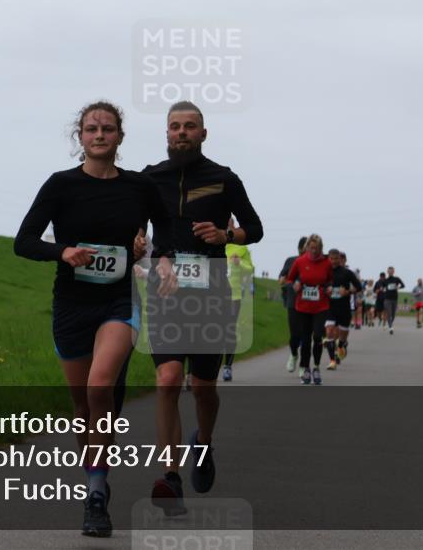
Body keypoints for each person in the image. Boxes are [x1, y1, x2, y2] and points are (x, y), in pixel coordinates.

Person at [14, 102, 176, 537]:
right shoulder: (60, 185)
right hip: (70, 305)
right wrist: (61, 251)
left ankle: (97, 495)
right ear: (80, 137)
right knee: (84, 407)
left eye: (107, 128)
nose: (99, 134)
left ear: (120, 137)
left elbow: (166, 232)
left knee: (100, 385)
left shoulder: (140, 187)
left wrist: (161, 260)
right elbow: (24, 241)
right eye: (91, 129)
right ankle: (94, 473)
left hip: (118, 302)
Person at [141, 101, 263, 514]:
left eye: (189, 126)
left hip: (210, 296)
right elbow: (135, 232)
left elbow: (255, 228)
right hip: (165, 293)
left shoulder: (223, 179)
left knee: (204, 388)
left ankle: (204, 444)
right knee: (169, 377)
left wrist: (227, 233)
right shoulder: (150, 178)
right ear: (166, 133)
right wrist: (143, 249)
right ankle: (170, 477)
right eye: (174, 126)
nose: (181, 133)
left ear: (203, 134)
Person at [285, 235, 333, 384]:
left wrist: (329, 287)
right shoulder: (300, 261)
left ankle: (316, 368)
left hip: (321, 306)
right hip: (303, 306)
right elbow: (290, 279)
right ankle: (305, 368)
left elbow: (330, 279)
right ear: (307, 248)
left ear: (321, 248)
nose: (313, 251)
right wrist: (295, 285)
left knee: (318, 336)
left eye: (316, 248)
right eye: (311, 248)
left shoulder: (327, 263)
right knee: (305, 339)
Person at [222, 220, 254, 382]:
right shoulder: (212, 242)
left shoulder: (241, 246)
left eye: (230, 223)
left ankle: (227, 366)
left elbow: (251, 269)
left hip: (233, 296)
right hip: (213, 296)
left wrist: (238, 263)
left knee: (229, 331)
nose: (228, 226)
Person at [324, 250, 362, 369]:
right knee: (329, 332)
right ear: (328, 259)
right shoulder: (325, 272)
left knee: (342, 335)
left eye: (336, 259)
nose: (334, 261)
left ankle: (341, 345)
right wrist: (326, 291)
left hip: (344, 308)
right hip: (330, 307)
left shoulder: (347, 273)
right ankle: (332, 361)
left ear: (340, 259)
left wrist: (348, 292)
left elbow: (359, 287)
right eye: (331, 259)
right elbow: (319, 285)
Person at [279, 236, 307, 372]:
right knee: (295, 335)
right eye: (308, 247)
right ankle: (294, 354)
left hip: (309, 304)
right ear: (301, 248)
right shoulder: (291, 261)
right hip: (293, 302)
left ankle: (303, 365)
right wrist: (283, 280)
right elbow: (282, 277)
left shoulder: (316, 263)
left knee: (306, 335)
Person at [382, 267, 406, 334]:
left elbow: (403, 285)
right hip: (387, 299)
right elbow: (382, 287)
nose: (390, 272)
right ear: (387, 272)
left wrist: (398, 287)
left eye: (391, 271)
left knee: (393, 314)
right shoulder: (385, 280)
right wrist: (382, 289)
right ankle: (390, 327)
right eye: (389, 271)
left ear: (393, 272)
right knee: (389, 313)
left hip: (394, 298)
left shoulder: (396, 279)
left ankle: (390, 324)